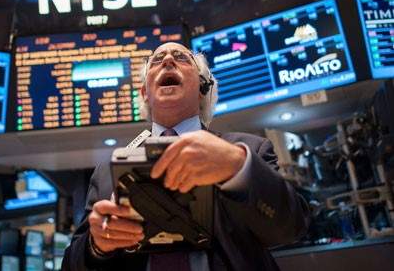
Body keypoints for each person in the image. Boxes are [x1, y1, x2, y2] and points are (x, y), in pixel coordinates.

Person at [61, 42, 309, 271]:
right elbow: (71, 264)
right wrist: (97, 245)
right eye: (157, 60)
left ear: (203, 87)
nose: (168, 60)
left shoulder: (247, 151)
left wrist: (238, 167)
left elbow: (292, 227)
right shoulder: (107, 171)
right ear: (145, 92)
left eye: (181, 57)